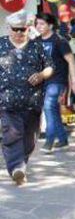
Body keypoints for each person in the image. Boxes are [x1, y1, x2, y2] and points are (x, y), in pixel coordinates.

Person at [0, 11, 52, 185]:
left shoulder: (37, 47)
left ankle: (21, 164)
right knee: (12, 134)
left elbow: (50, 67)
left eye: (23, 30)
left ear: (28, 29)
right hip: (8, 101)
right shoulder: (1, 45)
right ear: (9, 28)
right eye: (16, 29)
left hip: (32, 101)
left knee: (30, 139)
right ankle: (17, 168)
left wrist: (41, 75)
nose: (19, 33)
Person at [35, 13, 75, 152]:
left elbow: (71, 61)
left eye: (42, 24)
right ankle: (62, 139)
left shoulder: (60, 41)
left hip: (57, 81)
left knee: (49, 107)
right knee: (53, 110)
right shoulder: (36, 41)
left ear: (50, 25)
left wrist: (74, 82)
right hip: (43, 81)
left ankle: (49, 141)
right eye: (37, 23)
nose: (39, 26)